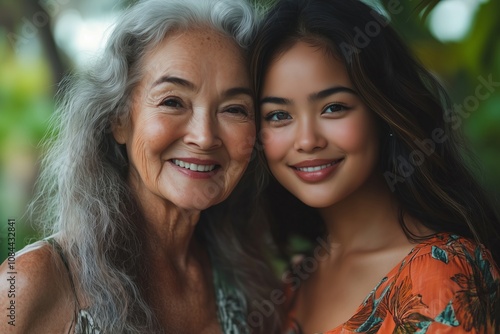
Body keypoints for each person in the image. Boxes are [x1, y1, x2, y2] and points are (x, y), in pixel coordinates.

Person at [0, 0, 282, 332]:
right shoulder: (33, 282)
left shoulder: (247, 278)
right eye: (172, 101)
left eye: (234, 109)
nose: (205, 137)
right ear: (119, 119)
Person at [250, 0, 500, 333]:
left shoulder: (438, 272)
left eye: (333, 107)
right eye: (279, 115)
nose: (307, 140)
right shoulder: (293, 283)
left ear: (382, 111)